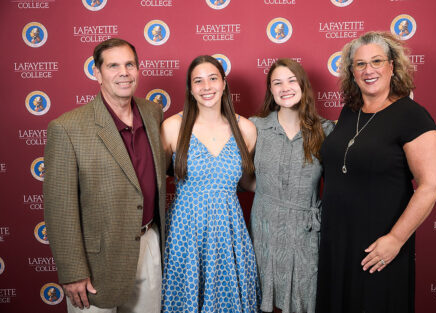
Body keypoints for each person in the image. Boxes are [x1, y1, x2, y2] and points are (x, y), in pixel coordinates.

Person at [315, 31, 436, 313]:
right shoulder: (351, 111)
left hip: (380, 245)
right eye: (360, 64)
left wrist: (396, 239)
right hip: (337, 243)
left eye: (376, 61)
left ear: (392, 66)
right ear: (351, 71)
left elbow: (431, 185)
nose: (368, 70)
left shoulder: (412, 116)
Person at [44, 38, 166, 313]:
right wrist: (73, 270)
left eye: (129, 64)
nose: (123, 72)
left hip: (148, 244)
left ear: (137, 69)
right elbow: (59, 209)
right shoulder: (67, 128)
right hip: (96, 261)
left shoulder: (153, 112)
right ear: (97, 73)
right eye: (113, 66)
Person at [160, 55, 260, 312]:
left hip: (229, 230)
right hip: (185, 230)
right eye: (198, 81)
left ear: (224, 83)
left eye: (213, 78)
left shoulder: (246, 129)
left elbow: (249, 182)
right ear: (190, 89)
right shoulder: (172, 127)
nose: (206, 87)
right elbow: (153, 182)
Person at [240, 59, 334, 313]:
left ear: (303, 85)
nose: (285, 88)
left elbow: (338, 187)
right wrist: (270, 192)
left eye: (291, 80)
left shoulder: (326, 130)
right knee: (262, 300)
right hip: (265, 229)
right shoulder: (255, 127)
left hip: (306, 233)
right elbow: (240, 176)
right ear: (270, 90)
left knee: (306, 301)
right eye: (277, 82)